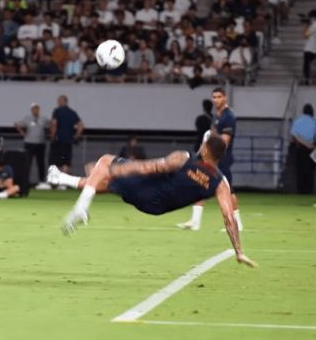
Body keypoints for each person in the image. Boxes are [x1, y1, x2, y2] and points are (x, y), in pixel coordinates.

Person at [45, 135, 256, 268]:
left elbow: (153, 167)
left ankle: (81, 208)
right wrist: (239, 251)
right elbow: (229, 218)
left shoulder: (184, 157)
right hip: (156, 207)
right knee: (104, 182)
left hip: (145, 188)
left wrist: (120, 168)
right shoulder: (221, 183)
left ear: (207, 149)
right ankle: (61, 178)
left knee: (105, 163)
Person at [177, 88, 242, 232]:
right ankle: (195, 221)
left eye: (219, 97)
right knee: (200, 184)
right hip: (212, 158)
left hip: (221, 158)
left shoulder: (229, 116)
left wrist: (210, 138)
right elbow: (212, 135)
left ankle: (237, 223)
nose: (216, 99)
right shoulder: (217, 116)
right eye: (214, 97)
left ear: (225, 98)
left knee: (228, 190)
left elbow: (225, 141)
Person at [289, 103, 316, 194]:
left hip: (299, 149)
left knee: (300, 171)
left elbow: (294, 134)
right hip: (311, 149)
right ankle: (309, 191)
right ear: (312, 112)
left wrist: (303, 143)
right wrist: (310, 145)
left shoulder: (297, 121)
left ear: (303, 111)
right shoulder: (315, 122)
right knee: (310, 172)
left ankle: (300, 191)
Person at [15, 102, 50, 189]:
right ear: (31, 110)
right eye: (34, 109)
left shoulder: (44, 119)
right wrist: (22, 133)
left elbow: (51, 125)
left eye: (37, 108)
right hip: (29, 143)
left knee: (41, 163)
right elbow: (17, 124)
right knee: (28, 163)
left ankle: (41, 181)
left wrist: (49, 135)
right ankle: (25, 180)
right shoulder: (27, 118)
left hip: (40, 143)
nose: (36, 110)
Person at [49, 95, 84, 181]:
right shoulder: (72, 112)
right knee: (66, 161)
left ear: (63, 101)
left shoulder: (57, 111)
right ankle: (64, 182)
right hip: (68, 141)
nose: (58, 102)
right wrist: (76, 136)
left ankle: (54, 181)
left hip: (58, 140)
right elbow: (81, 125)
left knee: (55, 161)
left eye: (59, 100)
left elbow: (54, 124)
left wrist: (53, 136)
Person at [302, 9, 316, 84]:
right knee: (308, 65)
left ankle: (307, 80)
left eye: (311, 17)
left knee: (307, 66)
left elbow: (305, 35)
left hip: (310, 48)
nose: (310, 18)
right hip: (311, 47)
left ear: (314, 17)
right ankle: (308, 79)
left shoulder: (315, 25)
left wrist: (306, 26)